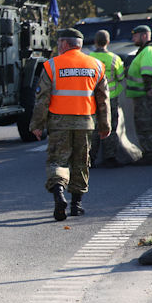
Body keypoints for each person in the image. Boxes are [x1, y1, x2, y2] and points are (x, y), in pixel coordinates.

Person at [29, 28, 110, 221]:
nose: (58, 47)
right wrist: (105, 125)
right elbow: (103, 100)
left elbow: (42, 99)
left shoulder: (52, 66)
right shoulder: (96, 65)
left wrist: (37, 125)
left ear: (65, 44)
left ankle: (59, 193)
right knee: (81, 162)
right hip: (85, 123)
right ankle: (76, 205)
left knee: (58, 160)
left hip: (59, 123)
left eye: (59, 43)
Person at [88, 30, 124, 168]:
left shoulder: (89, 59)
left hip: (92, 99)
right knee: (110, 127)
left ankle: (91, 158)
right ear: (108, 42)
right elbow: (121, 77)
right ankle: (110, 157)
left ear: (95, 42)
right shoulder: (115, 58)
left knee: (93, 128)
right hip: (111, 99)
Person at [125, 25, 152, 165]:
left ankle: (150, 155)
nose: (133, 38)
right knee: (151, 125)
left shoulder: (148, 51)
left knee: (145, 126)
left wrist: (148, 89)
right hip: (144, 95)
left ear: (144, 36)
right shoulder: (145, 51)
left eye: (135, 35)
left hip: (145, 96)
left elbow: (147, 71)